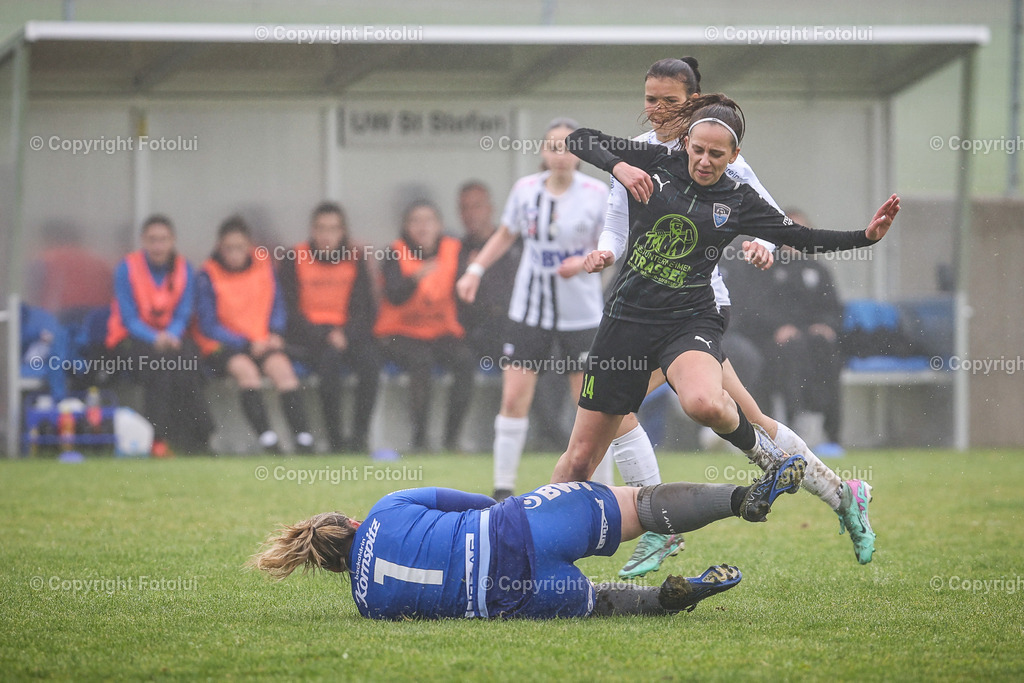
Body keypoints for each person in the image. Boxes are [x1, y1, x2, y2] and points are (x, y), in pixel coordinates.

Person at [552, 95, 898, 568]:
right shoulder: (657, 158)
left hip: (690, 320)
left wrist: (865, 237)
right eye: (698, 149)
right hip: (626, 326)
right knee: (578, 462)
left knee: (703, 403)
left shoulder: (738, 195)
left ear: (734, 154)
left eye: (717, 154)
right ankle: (541, 540)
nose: (704, 160)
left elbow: (795, 235)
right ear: (686, 139)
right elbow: (577, 139)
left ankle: (671, 521)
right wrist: (618, 167)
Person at [249, 452, 807, 619]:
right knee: (640, 504)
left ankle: (666, 599)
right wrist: (542, 504)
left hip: (505, 595)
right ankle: (743, 499)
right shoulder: (385, 507)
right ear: (349, 524)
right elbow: (477, 503)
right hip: (513, 525)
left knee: (601, 603)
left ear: (333, 566)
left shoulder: (367, 604)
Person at [456, 118, 614, 501]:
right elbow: (506, 233)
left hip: (581, 314)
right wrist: (475, 270)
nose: (561, 154)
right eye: (554, 146)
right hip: (529, 312)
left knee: (590, 405)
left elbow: (612, 249)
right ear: (543, 152)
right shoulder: (525, 190)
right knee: (513, 399)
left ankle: (604, 491)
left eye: (569, 147)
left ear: (581, 155)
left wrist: (583, 263)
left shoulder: (598, 193)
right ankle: (501, 490)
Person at [195, 216, 315, 454]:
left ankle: (303, 439)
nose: (234, 253)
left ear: (249, 246)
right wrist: (246, 343)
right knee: (247, 373)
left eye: (239, 247)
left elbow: (277, 304)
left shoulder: (263, 267)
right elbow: (208, 324)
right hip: (225, 346)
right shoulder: (207, 275)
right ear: (220, 247)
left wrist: (275, 332)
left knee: (283, 371)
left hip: (261, 341)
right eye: (228, 248)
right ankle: (268, 440)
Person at [731, 209, 846, 456]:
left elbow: (833, 308)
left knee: (825, 348)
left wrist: (825, 325)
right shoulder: (762, 267)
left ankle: (830, 433)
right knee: (792, 350)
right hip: (771, 342)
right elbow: (751, 311)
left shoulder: (818, 270)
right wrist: (777, 327)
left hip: (811, 341)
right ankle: (794, 425)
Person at [105, 214, 213, 456]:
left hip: (173, 337)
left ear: (172, 240)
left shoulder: (185, 268)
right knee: (160, 366)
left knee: (188, 363)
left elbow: (185, 312)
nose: (158, 246)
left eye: (163, 240)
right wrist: (157, 338)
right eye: (152, 240)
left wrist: (172, 334)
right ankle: (157, 439)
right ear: (143, 240)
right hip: (132, 339)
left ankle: (200, 436)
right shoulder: (127, 268)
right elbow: (128, 317)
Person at [374, 200, 477, 452]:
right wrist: (416, 277)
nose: (423, 227)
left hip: (441, 330)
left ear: (440, 225)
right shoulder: (394, 252)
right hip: (399, 332)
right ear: (406, 227)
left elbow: (469, 292)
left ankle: (451, 439)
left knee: (465, 361)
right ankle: (420, 440)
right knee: (421, 361)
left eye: (429, 220)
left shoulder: (455, 249)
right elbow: (394, 295)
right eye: (415, 221)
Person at [278, 202, 380, 453]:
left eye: (333, 229)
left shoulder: (354, 259)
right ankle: (335, 439)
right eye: (321, 229)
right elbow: (289, 312)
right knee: (329, 362)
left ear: (343, 231)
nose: (326, 235)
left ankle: (359, 437)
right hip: (310, 339)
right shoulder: (295, 258)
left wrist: (345, 334)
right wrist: (324, 335)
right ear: (312, 230)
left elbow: (365, 309)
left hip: (346, 335)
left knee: (371, 362)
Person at [455, 181, 521, 362]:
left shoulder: (517, 246)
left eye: (476, 206)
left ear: (490, 208)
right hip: (474, 331)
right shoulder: (456, 250)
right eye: (465, 208)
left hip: (510, 326)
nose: (471, 214)